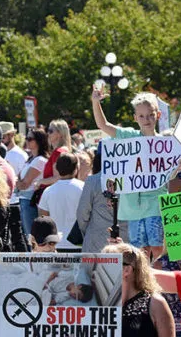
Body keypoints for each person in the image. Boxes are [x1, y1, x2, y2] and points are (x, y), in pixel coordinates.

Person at [91, 89, 166, 260]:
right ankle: (144, 281)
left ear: (158, 115)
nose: (146, 119)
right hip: (133, 207)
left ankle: (157, 280)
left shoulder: (165, 144)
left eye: (150, 115)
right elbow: (103, 125)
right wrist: (95, 102)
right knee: (139, 251)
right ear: (135, 118)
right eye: (141, 116)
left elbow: (170, 173)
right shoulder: (129, 136)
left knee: (157, 247)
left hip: (156, 204)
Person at [38, 153, 84, 251]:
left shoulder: (48, 191)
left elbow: (43, 219)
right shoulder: (84, 188)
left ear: (57, 169)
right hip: (79, 243)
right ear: (76, 168)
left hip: (56, 244)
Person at [75, 150, 116, 254]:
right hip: (124, 239)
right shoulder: (131, 181)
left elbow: (82, 213)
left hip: (96, 239)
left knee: (93, 270)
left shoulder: (92, 181)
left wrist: (88, 231)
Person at [14, 128, 50, 242]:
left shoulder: (39, 160)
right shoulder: (31, 159)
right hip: (25, 200)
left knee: (32, 238)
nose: (27, 141)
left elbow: (23, 184)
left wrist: (18, 183)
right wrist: (19, 182)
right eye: (26, 138)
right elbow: (19, 180)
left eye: (30, 139)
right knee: (29, 236)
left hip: (30, 201)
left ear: (39, 141)